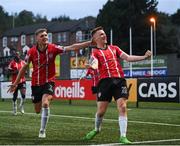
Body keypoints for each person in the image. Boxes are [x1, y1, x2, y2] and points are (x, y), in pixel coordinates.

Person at [7, 28, 91, 138]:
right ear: (37, 38)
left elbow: (72, 47)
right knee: (37, 110)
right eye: (42, 36)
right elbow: (23, 68)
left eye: (46, 35)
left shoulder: (53, 48)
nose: (45, 37)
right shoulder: (31, 52)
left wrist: (90, 42)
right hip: (35, 84)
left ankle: (42, 130)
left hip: (49, 82)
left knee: (45, 103)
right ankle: (42, 106)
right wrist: (15, 83)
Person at [83, 26, 152, 144]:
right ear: (95, 39)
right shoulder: (95, 52)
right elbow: (94, 65)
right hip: (104, 83)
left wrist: (144, 57)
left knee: (123, 106)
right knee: (100, 112)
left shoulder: (114, 48)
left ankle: (123, 136)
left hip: (119, 81)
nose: (104, 35)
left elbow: (128, 57)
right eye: (101, 34)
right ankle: (97, 129)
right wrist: (91, 66)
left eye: (104, 33)